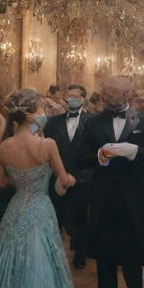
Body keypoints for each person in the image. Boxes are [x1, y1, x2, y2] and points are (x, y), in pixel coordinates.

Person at [78, 76, 144, 288]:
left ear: (127, 95)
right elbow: (80, 157)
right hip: (102, 200)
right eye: (105, 94)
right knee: (104, 262)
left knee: (132, 261)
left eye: (112, 95)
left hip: (132, 201)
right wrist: (99, 155)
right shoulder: (93, 122)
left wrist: (133, 151)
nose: (106, 99)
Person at [0, 89, 80, 288]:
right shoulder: (47, 145)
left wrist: (19, 180)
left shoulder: (4, 147)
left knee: (13, 258)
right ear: (31, 115)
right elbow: (64, 179)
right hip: (40, 207)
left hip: (16, 208)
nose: (44, 113)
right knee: (42, 259)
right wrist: (71, 179)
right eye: (40, 109)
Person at [44, 83, 93, 269]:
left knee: (80, 218)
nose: (72, 99)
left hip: (83, 177)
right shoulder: (53, 122)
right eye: (69, 95)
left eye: (76, 96)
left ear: (83, 99)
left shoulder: (91, 121)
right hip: (58, 177)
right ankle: (54, 256)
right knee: (57, 216)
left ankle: (79, 254)